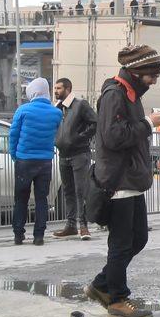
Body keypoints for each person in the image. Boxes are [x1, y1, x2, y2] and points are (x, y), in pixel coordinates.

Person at [83, 45, 160, 317]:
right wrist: (148, 123)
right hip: (118, 182)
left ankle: (101, 284)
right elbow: (113, 137)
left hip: (130, 180)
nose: (154, 81)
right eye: (152, 75)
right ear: (137, 71)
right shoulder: (114, 94)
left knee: (138, 237)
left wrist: (144, 122)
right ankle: (117, 299)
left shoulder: (130, 94)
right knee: (120, 243)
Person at [9, 78, 63, 246]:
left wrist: (14, 155)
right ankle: (39, 236)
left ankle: (19, 235)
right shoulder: (56, 113)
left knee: (21, 199)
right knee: (42, 199)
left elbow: (13, 135)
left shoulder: (23, 110)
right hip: (45, 161)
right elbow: (57, 135)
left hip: (24, 160)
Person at [51, 78, 98, 240]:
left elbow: (95, 123)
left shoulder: (80, 105)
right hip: (64, 155)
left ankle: (83, 226)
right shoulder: (57, 108)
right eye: (55, 88)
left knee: (80, 190)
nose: (56, 91)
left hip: (79, 154)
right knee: (68, 190)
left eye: (58, 88)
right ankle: (70, 225)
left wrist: (79, 138)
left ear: (68, 89)